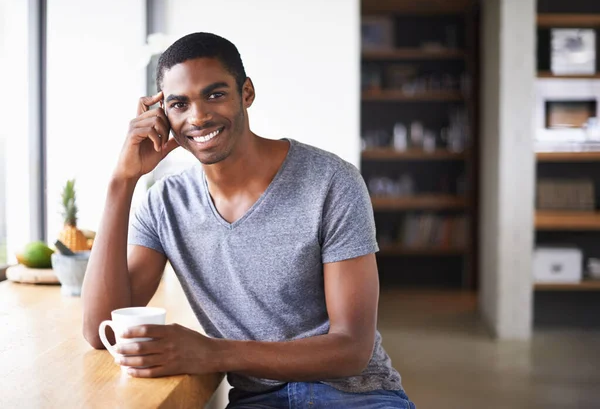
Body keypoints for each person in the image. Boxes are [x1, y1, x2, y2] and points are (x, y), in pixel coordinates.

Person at [82, 32, 415, 409]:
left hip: (355, 395)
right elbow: (100, 330)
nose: (198, 116)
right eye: (179, 104)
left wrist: (214, 353)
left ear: (247, 93)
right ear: (162, 116)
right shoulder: (164, 204)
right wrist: (121, 182)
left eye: (215, 94)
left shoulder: (331, 182)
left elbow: (352, 349)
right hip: (259, 401)